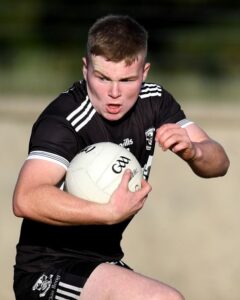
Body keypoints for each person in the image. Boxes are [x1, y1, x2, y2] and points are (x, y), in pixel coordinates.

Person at [13, 14, 229, 300]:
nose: (114, 93)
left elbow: (219, 163)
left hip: (104, 263)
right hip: (48, 269)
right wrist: (107, 213)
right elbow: (26, 198)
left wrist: (194, 151)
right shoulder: (65, 120)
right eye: (102, 78)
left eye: (127, 80)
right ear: (85, 68)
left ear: (145, 73)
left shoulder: (155, 103)